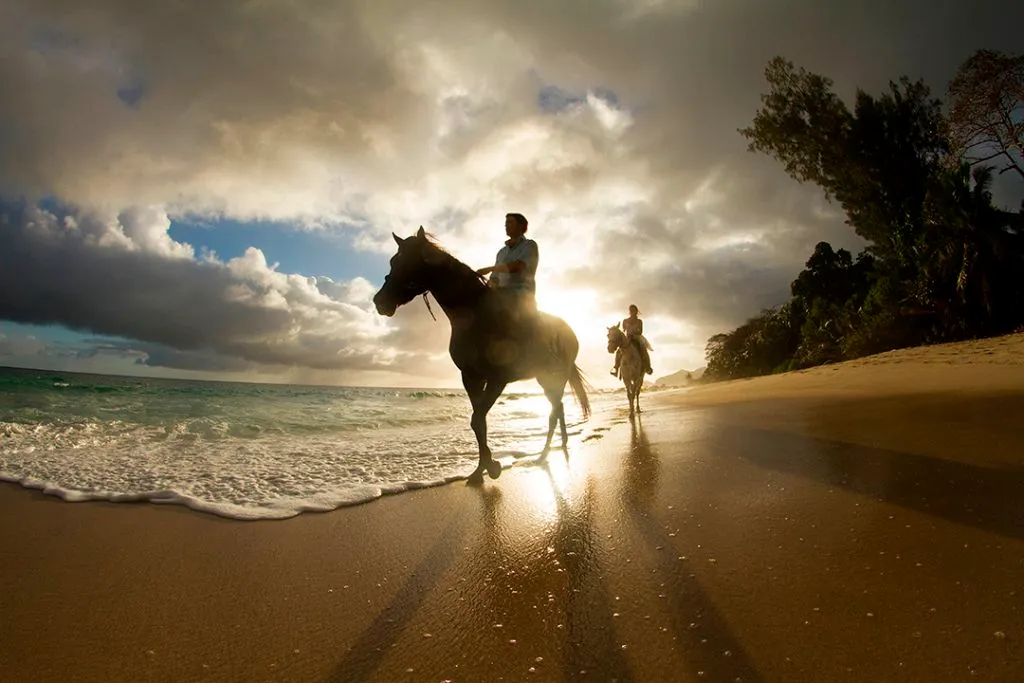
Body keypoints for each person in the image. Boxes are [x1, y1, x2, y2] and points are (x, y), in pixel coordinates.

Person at [476, 213, 539, 325]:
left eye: (510, 222)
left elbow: (518, 266)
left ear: (521, 226)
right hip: (500, 294)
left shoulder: (529, 245)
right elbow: (494, 278)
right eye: (505, 223)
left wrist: (490, 268)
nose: (506, 225)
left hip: (521, 296)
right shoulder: (501, 252)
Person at [612, 304, 653, 376]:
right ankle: (616, 368)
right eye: (631, 310)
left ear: (636, 312)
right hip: (628, 338)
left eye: (633, 311)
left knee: (643, 348)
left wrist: (634, 334)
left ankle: (647, 367)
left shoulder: (639, 321)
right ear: (629, 311)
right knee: (619, 351)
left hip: (636, 337)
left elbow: (640, 331)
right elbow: (624, 330)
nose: (632, 312)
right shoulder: (625, 321)